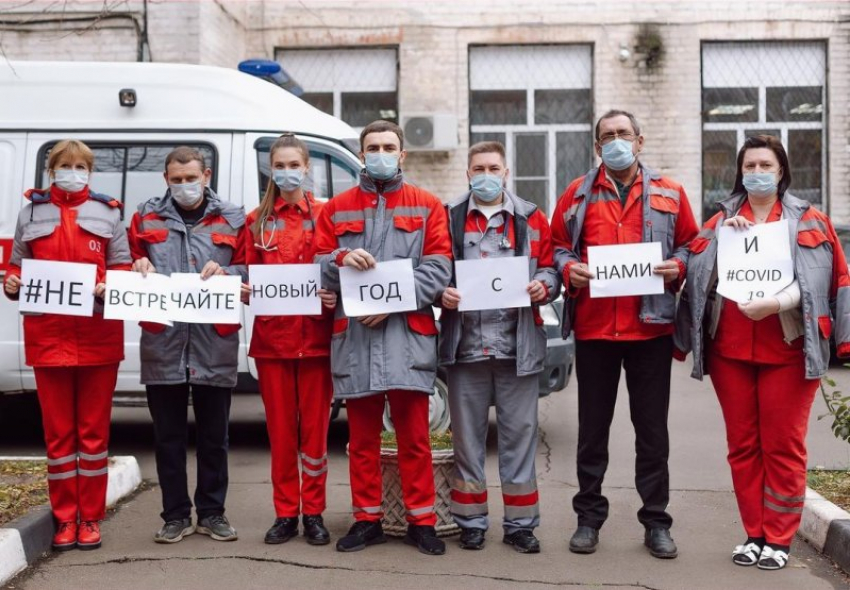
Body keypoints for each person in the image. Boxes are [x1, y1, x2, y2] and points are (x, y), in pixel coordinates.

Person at [675, 135, 850, 571]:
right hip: (730, 351)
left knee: (783, 446)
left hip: (789, 350)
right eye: (749, 165)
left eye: (765, 165)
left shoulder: (811, 220)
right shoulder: (719, 222)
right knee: (743, 445)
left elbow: (832, 281)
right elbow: (697, 284)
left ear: (782, 171)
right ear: (740, 172)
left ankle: (779, 537)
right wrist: (721, 245)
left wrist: (777, 303)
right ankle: (753, 533)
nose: (756, 172)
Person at [551, 110, 698, 558]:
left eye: (623, 134)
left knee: (652, 432)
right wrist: (566, 269)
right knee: (591, 432)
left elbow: (692, 243)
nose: (616, 141)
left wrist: (681, 266)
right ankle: (588, 519)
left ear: (640, 140)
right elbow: (557, 246)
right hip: (595, 329)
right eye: (608, 136)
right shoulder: (577, 193)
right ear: (597, 146)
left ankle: (656, 522)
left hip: (649, 330)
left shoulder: (670, 191)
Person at [314, 120, 453, 556]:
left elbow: (438, 270)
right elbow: (318, 259)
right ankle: (366, 519)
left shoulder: (428, 205)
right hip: (356, 338)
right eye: (372, 147)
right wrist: (340, 256)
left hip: (405, 337)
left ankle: (422, 521)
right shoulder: (335, 209)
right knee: (362, 439)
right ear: (362, 153)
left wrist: (389, 303)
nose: (380, 153)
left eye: (388, 146)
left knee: (415, 437)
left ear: (402, 154)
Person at [3, 139, 132, 551]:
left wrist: (107, 284)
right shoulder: (31, 213)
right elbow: (15, 267)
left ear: (90, 172)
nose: (73, 171)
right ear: (51, 169)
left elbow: (123, 268)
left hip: (97, 339)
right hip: (48, 339)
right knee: (58, 439)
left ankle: (90, 519)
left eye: (81, 165)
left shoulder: (110, 213)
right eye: (65, 165)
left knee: (93, 437)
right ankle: (64, 520)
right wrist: (10, 283)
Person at [438, 141, 559, 553]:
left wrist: (546, 284)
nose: (486, 175)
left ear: (506, 172)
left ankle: (520, 524)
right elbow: (435, 266)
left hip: (516, 348)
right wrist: (441, 293)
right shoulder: (449, 217)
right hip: (466, 349)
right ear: (468, 173)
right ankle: (471, 521)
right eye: (478, 168)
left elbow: (549, 265)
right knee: (467, 441)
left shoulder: (530, 216)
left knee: (519, 439)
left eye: (493, 167)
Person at [128, 146, 247, 544]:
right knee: (168, 438)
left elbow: (250, 269)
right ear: (166, 179)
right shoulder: (145, 215)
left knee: (215, 438)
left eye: (190, 178)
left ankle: (212, 513)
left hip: (215, 342)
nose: (184, 186)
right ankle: (175, 515)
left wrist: (229, 271)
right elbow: (124, 261)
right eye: (176, 180)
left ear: (206, 175)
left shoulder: (233, 217)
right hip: (164, 342)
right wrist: (136, 266)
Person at [242, 134, 338, 545]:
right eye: (278, 165)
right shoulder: (256, 221)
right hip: (274, 344)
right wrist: (244, 288)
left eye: (292, 164)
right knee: (281, 436)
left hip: (316, 341)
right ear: (270, 169)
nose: (285, 172)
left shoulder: (326, 215)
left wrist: (334, 294)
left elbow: (338, 270)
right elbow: (245, 272)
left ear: (307, 166)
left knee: (315, 436)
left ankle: (314, 513)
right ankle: (286, 513)